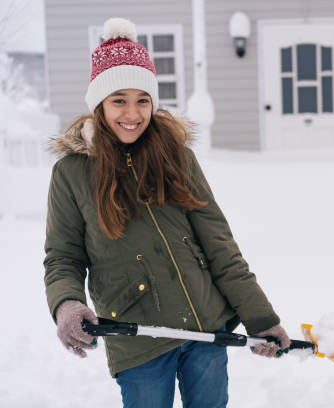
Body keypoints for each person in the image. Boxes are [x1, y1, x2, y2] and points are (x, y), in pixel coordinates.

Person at [43, 17, 290, 408]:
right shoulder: (72, 174)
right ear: (99, 104)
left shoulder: (177, 158)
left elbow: (220, 245)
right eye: (118, 100)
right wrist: (66, 304)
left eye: (143, 99)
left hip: (204, 327)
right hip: (137, 337)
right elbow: (62, 257)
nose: (132, 112)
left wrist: (262, 320)